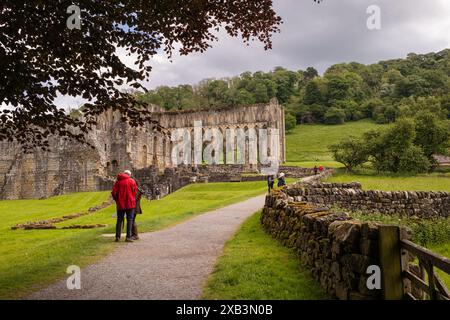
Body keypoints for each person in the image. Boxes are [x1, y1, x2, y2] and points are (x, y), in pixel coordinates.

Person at [111, 170, 137, 242]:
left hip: (120, 204)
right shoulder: (132, 181)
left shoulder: (118, 182)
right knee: (130, 220)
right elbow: (135, 192)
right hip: (130, 203)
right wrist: (132, 198)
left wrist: (117, 200)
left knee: (119, 220)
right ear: (129, 175)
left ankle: (117, 237)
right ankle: (128, 237)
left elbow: (114, 192)